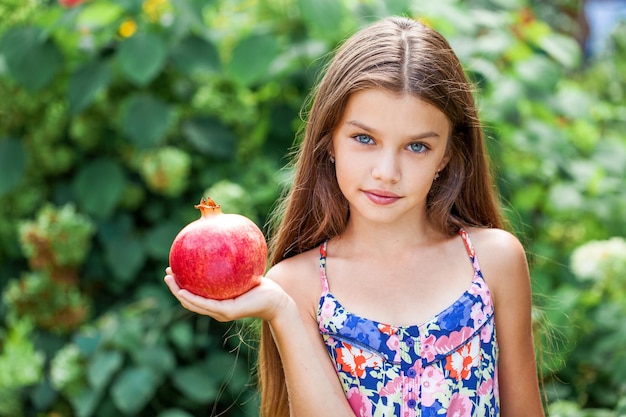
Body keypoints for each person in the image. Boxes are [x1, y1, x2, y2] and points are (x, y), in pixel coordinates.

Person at [164, 16, 545, 417]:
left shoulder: (492, 261)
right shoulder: (298, 286)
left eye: (417, 147)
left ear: (446, 155)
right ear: (329, 141)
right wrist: (282, 311)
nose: (386, 171)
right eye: (364, 139)